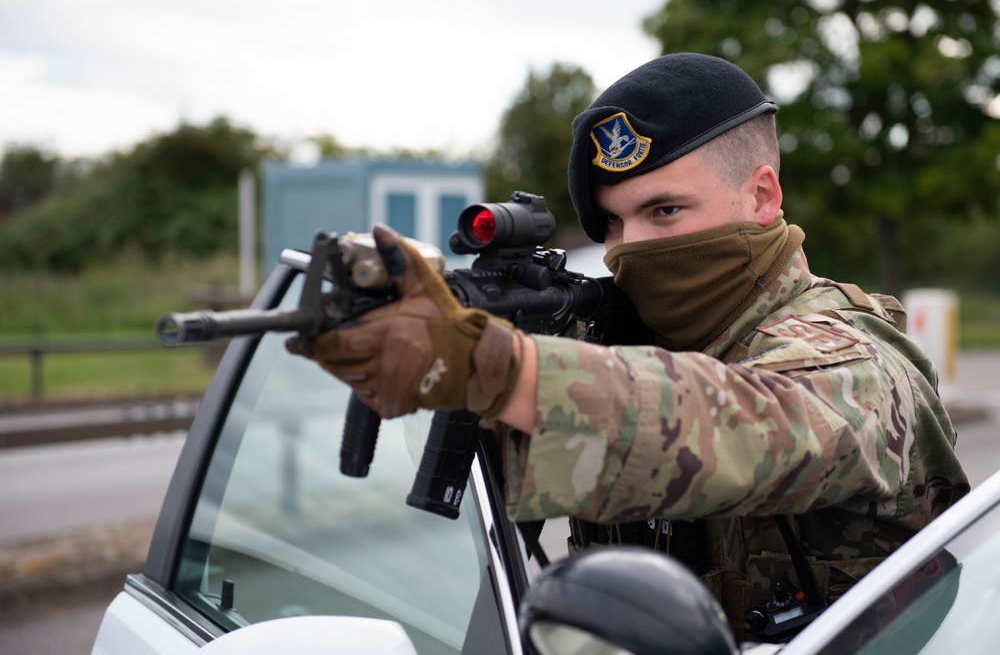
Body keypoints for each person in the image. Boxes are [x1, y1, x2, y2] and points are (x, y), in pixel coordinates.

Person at [290, 53, 970, 642]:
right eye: (614, 221)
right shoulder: (615, 336)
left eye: (664, 210)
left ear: (761, 197)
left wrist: (499, 367)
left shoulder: (851, 354)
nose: (630, 248)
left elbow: (749, 419)